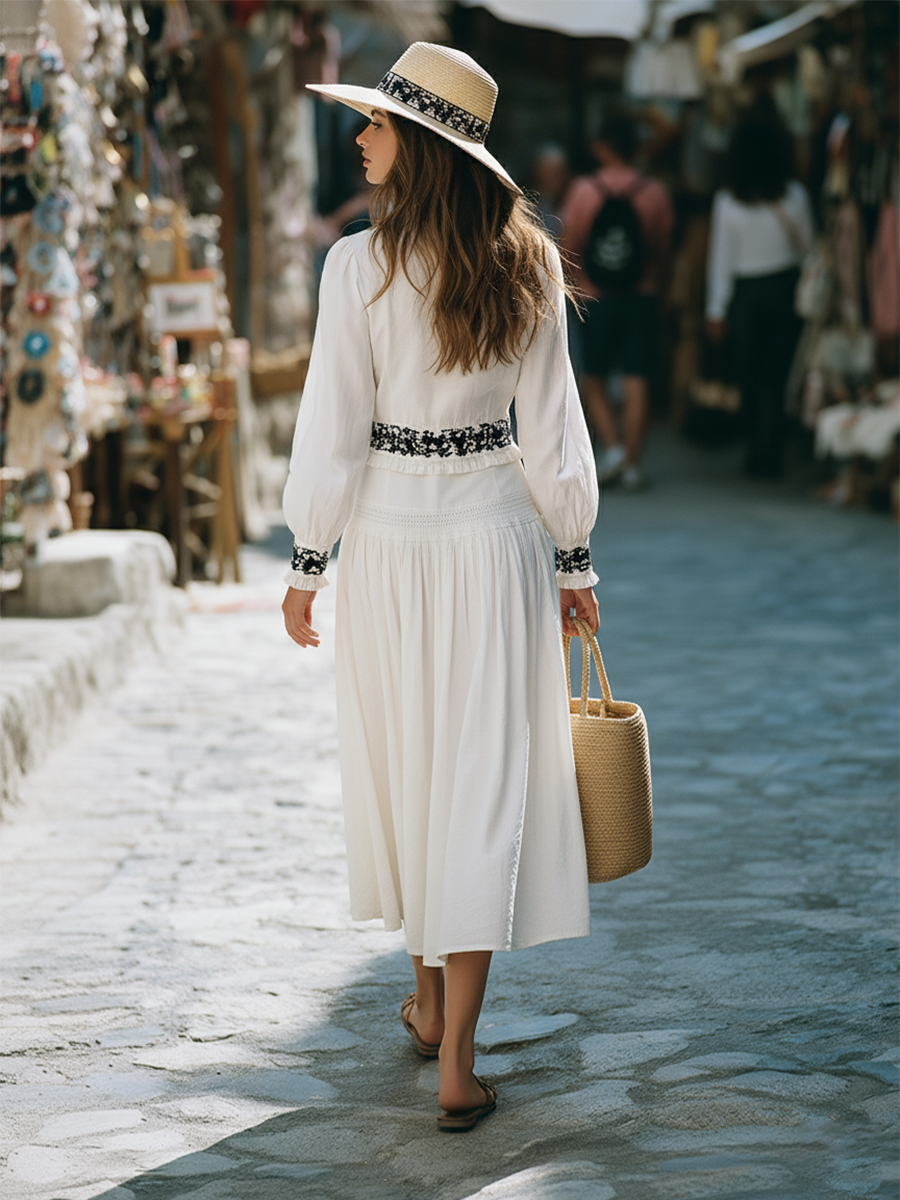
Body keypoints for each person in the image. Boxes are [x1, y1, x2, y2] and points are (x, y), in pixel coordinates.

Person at [281, 43, 600, 1132]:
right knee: (478, 786)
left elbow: (331, 427)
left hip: (388, 539)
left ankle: (429, 1004)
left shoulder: (353, 267)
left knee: (410, 768)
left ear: (416, 143)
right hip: (497, 539)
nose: (361, 137)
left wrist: (306, 563)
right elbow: (556, 434)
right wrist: (575, 558)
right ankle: (451, 1042)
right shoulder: (530, 265)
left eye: (374, 123)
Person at [560, 110, 674, 490]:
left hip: (594, 296)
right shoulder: (654, 191)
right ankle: (632, 464)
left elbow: (568, 245)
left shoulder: (585, 190)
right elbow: (661, 247)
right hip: (642, 295)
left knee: (593, 374)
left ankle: (611, 448)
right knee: (636, 376)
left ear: (602, 147)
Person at [706, 102, 814, 477]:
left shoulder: (727, 201)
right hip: (787, 292)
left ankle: (757, 450)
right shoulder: (795, 196)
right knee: (778, 376)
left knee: (750, 377)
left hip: (746, 297)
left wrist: (716, 310)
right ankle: (773, 451)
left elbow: (720, 260)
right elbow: (809, 250)